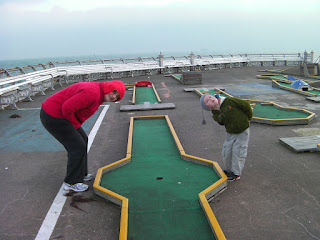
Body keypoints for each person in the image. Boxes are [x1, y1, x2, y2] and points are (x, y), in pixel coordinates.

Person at [40, 80, 126, 192]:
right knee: (77, 147)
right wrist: (75, 125)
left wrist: (75, 125)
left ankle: (81, 174)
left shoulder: (99, 93)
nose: (113, 96)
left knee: (83, 140)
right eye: (114, 91)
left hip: (60, 114)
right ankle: (71, 182)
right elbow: (67, 108)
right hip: (53, 115)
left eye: (117, 96)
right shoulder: (93, 93)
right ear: (109, 87)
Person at [200, 93, 253, 181]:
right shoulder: (215, 114)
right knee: (226, 151)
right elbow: (221, 122)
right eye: (207, 101)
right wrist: (219, 112)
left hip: (243, 129)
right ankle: (228, 170)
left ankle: (236, 173)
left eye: (210, 97)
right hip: (230, 132)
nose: (211, 99)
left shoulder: (229, 101)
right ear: (207, 107)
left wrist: (248, 118)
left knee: (238, 151)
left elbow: (245, 105)